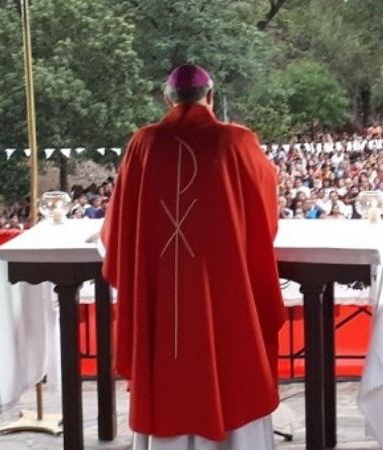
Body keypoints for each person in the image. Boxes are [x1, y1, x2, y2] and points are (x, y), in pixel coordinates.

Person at [100, 64, 285, 450]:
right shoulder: (236, 141)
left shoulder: (143, 144)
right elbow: (264, 209)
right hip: (223, 285)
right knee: (233, 349)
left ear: (167, 99)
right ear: (211, 97)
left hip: (161, 289)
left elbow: (117, 227)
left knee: (166, 355)